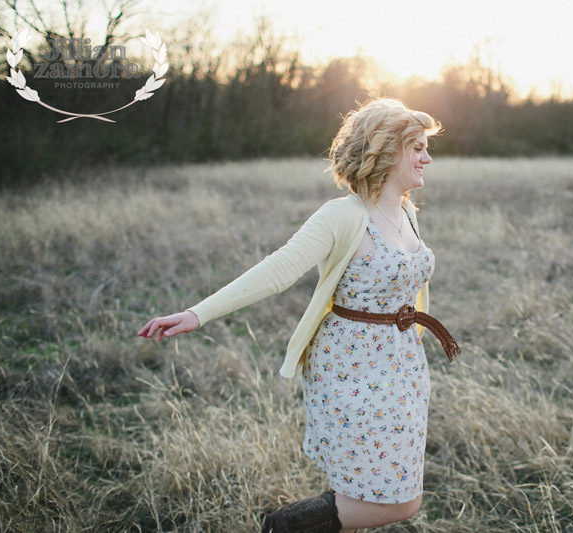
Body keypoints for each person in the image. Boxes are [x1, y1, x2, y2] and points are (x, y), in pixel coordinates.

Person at [137, 97, 459, 533]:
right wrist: (199, 314)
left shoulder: (404, 210)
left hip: (401, 365)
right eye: (417, 147)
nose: (427, 157)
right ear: (388, 150)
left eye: (426, 147)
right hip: (352, 365)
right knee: (397, 502)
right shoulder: (343, 215)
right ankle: (285, 527)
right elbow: (281, 269)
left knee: (378, 488)